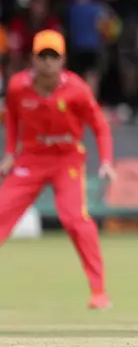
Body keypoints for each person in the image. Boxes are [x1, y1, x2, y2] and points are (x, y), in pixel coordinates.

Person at [0, 29, 116, 309]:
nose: (48, 62)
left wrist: (106, 162)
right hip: (31, 159)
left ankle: (98, 291)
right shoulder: (17, 86)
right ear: (33, 59)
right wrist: (8, 154)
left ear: (63, 59)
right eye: (43, 56)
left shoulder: (77, 90)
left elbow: (100, 126)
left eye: (54, 57)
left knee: (75, 219)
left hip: (67, 159)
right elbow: (13, 118)